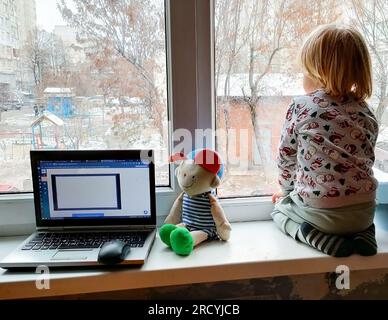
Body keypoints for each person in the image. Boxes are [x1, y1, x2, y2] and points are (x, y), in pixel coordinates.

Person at [271, 24, 379, 257]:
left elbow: (286, 157)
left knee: (279, 212)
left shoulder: (301, 106)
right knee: (356, 219)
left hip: (320, 216)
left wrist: (288, 191)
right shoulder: (366, 112)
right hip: (364, 213)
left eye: (306, 71)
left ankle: (312, 236)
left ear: (318, 72)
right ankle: (365, 235)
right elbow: (365, 159)